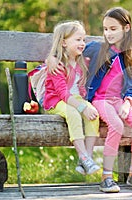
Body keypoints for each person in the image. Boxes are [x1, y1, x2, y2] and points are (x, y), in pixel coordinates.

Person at [83, 7, 132, 193]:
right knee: (117, 126)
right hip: (100, 99)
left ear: (126, 28)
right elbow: (73, 52)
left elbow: (130, 88)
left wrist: (128, 104)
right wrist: (54, 59)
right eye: (105, 29)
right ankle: (106, 177)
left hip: (118, 100)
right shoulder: (98, 48)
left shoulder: (130, 59)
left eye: (113, 29)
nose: (108, 33)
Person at [43, 21, 100, 176]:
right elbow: (62, 93)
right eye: (77, 40)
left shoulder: (82, 61)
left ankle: (87, 158)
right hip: (56, 101)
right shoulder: (57, 64)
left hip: (75, 99)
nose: (82, 43)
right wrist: (82, 107)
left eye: (83, 40)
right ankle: (83, 156)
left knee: (93, 114)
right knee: (73, 113)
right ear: (63, 43)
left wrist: (86, 106)